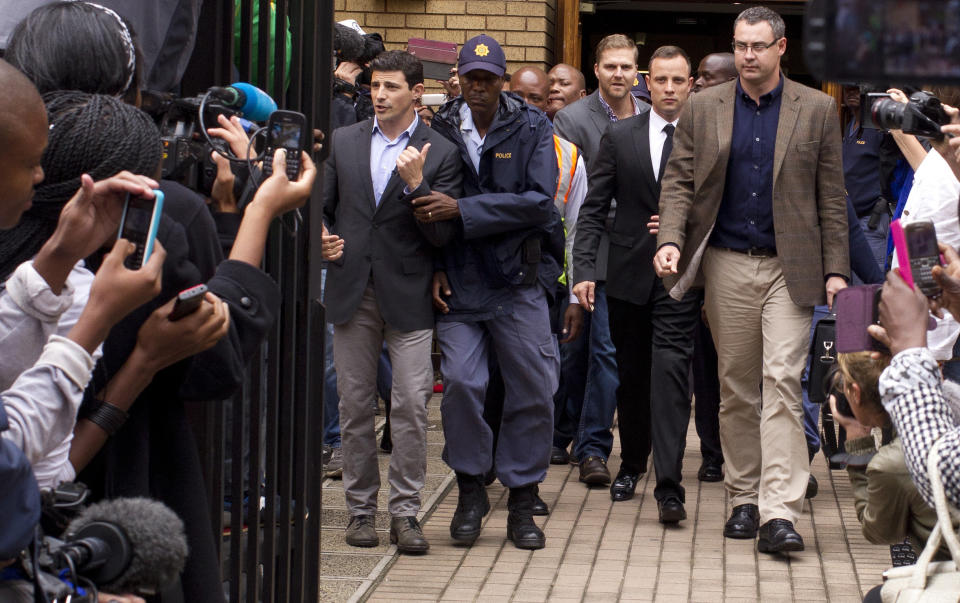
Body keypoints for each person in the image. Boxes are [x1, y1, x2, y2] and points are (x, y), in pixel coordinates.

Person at [655, 6, 849, 553]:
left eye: (758, 46)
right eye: (741, 45)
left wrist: (836, 270)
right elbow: (679, 180)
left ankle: (778, 511)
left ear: (781, 48)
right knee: (736, 386)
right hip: (726, 262)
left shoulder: (815, 109)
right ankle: (742, 497)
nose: (747, 56)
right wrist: (670, 239)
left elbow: (831, 199)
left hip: (792, 268)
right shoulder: (704, 106)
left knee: (783, 380)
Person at [321, 49, 462, 553]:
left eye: (391, 87)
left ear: (417, 93)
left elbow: (447, 238)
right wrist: (321, 235)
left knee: (409, 407)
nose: (379, 96)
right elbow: (324, 205)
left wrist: (416, 186)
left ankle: (406, 513)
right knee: (355, 405)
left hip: (409, 293)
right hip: (351, 287)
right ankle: (360, 511)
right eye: (375, 87)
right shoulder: (344, 141)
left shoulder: (441, 152)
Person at [429, 34, 560, 550]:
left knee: (534, 388)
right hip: (460, 282)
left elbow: (539, 202)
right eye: (470, 78)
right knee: (461, 383)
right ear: (458, 78)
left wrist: (463, 211)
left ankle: (523, 501)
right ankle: (469, 489)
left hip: (516, 281)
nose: (478, 87)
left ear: (503, 81)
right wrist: (438, 263)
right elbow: (423, 206)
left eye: (488, 79)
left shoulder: (532, 125)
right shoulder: (439, 126)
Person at [574, 45, 697, 523]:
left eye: (678, 81)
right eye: (661, 80)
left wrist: (678, 225)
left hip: (681, 279)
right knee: (630, 376)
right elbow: (593, 206)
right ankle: (631, 463)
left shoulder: (705, 136)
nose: (668, 89)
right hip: (626, 273)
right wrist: (584, 268)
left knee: (669, 377)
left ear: (691, 85)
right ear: (648, 82)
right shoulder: (619, 135)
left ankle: (669, 486)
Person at [553, 34, 650, 493]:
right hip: (593, 246)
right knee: (594, 351)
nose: (618, 74)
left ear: (637, 72)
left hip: (643, 252)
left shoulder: (652, 116)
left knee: (613, 352)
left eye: (626, 67)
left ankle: (592, 442)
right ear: (596, 69)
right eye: (610, 66)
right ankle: (591, 447)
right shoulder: (572, 119)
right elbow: (572, 195)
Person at [830, 352, 957, 557]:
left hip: (951, 570)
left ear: (856, 393)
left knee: (877, 591)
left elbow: (879, 532)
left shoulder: (891, 464)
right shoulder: (948, 406)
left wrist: (858, 449)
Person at [687, 52, 737, 484]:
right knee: (706, 373)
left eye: (708, 77)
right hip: (694, 275)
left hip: (741, 273)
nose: (697, 83)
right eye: (697, 76)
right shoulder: (693, 125)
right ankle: (711, 452)